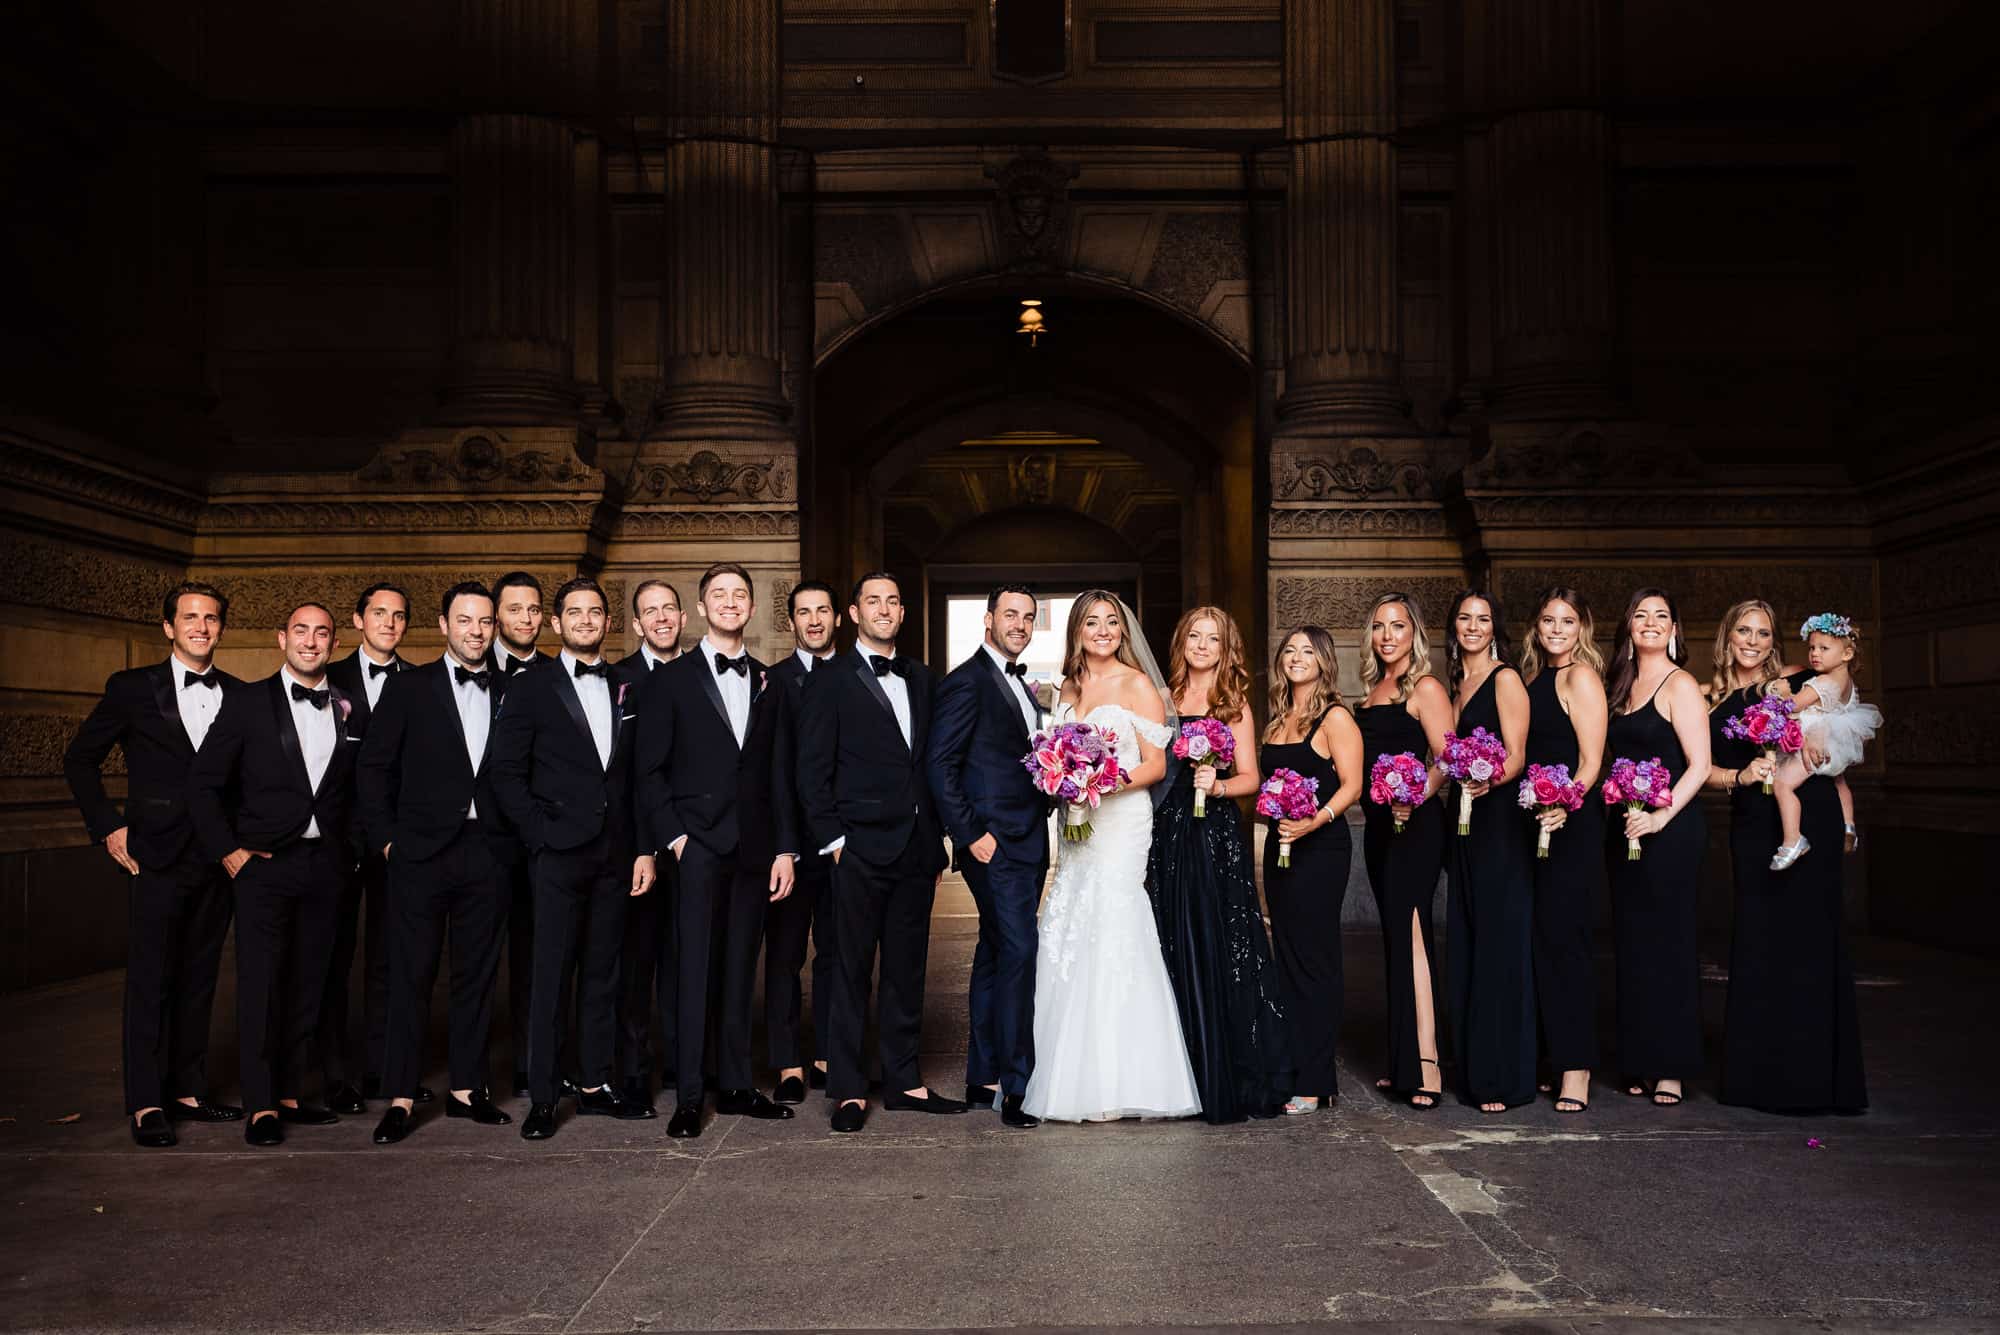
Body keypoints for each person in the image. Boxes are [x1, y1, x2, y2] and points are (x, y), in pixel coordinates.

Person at [62, 582, 244, 1147]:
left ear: (220, 628)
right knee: (150, 979)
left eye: (211, 619)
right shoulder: (131, 688)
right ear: (168, 627)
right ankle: (146, 1101)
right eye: (189, 618)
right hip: (154, 855)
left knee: (199, 975)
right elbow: (80, 759)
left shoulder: (240, 694)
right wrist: (108, 825)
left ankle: (188, 1090)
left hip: (216, 858)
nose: (200, 627)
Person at [795, 572, 966, 1133]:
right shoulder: (830, 679)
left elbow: (933, 765)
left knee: (906, 969)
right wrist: (837, 843)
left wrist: (938, 838)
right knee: (847, 969)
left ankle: (904, 1080)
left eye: (894, 600)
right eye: (874, 601)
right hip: (857, 849)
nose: (885, 609)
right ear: (853, 613)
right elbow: (812, 772)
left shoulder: (923, 677)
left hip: (916, 850)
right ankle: (847, 1089)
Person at [489, 576, 658, 1140]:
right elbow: (505, 773)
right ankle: (543, 1096)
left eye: (595, 613)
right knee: (550, 975)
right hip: (557, 855)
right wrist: (539, 833)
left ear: (608, 623)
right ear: (557, 624)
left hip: (615, 854)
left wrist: (641, 849)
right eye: (574, 614)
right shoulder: (532, 685)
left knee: (603, 974)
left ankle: (594, 1084)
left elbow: (634, 779)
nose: (586, 621)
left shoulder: (625, 684)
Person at [187, 602, 360, 1146]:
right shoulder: (246, 703)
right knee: (261, 984)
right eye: (301, 631)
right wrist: (230, 853)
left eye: (322, 634)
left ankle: (290, 1091)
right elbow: (202, 786)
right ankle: (260, 1104)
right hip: (263, 867)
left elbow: (358, 788)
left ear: (334, 643)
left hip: (325, 867)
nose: (311, 642)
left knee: (310, 983)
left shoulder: (347, 705)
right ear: (281, 637)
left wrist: (350, 850)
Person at [1022, 592, 1199, 1124]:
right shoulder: (1067, 688)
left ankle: (1132, 1076)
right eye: (1092, 622)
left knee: (1116, 921)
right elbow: (1052, 755)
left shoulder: (1138, 685)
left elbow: (1154, 765)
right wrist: (1063, 781)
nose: (1103, 631)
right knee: (1069, 923)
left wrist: (1099, 782)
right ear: (1076, 630)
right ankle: (1072, 1075)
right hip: (1076, 821)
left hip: (1120, 821)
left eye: (1112, 623)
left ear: (1123, 631)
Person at [636, 562, 798, 1139]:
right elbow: (649, 771)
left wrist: (785, 848)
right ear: (700, 609)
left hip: (755, 848)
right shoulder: (669, 680)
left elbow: (778, 771)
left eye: (739, 595)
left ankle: (735, 1084)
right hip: (697, 846)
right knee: (692, 968)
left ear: (751, 609)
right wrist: (676, 838)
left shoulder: (767, 681)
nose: (730, 603)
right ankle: (689, 1094)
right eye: (718, 595)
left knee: (738, 969)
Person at [356, 582, 516, 1144]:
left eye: (485, 622)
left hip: (489, 851)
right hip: (420, 853)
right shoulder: (409, 687)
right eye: (465, 621)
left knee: (476, 976)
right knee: (411, 975)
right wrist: (389, 843)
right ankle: (400, 1095)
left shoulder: (512, 690)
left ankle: (468, 1088)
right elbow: (373, 770)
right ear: (444, 626)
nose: (476, 631)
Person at [1707, 602, 1867, 1114]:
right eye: (1743, 631)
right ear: (1727, 636)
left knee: (1810, 944)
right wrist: (1737, 777)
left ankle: (1815, 1082)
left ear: (1774, 640)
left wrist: (1820, 734)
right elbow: (1698, 769)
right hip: (1753, 828)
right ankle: (1757, 1080)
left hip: (1807, 818)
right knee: (1760, 945)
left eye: (1763, 632)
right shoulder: (1706, 697)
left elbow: (1839, 700)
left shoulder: (1798, 678)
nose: (1752, 641)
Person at [1146, 605, 1292, 1123]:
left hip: (1214, 834)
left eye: (1213, 638)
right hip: (1166, 831)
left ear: (1225, 647)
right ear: (1182, 642)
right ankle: (1174, 1071)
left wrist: (1220, 784)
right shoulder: (1162, 699)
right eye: (1194, 636)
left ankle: (1221, 1069)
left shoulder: (1234, 706)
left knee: (1217, 935)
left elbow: (1251, 776)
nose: (1202, 646)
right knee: (1168, 934)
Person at [926, 584, 1049, 1130]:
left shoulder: (1024, 685)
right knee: (1021, 950)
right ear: (988, 619)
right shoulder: (966, 682)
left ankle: (984, 1075)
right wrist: (970, 833)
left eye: (1027, 617)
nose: (1019, 624)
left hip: (1028, 837)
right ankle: (1018, 1088)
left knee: (998, 950)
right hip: (993, 843)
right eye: (1010, 615)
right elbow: (939, 765)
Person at [1602, 588, 1712, 1107]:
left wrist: (1661, 818)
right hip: (1626, 829)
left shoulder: (1680, 683)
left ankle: (1670, 1067)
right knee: (1633, 945)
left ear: (1674, 629)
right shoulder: (1620, 686)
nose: (1650, 622)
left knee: (1668, 944)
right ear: (1629, 627)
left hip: (1669, 832)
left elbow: (1700, 764)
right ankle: (1639, 1059)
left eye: (1661, 615)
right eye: (1640, 614)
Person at [1257, 626, 1363, 1115]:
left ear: (1323, 661)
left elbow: (1352, 786)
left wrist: (1311, 821)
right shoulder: (1278, 719)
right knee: (1289, 958)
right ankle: (1295, 1066)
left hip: (1320, 849)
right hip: (1282, 847)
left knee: (1316, 959)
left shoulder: (1334, 716)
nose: (1296, 658)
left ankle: (1318, 1080)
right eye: (1290, 651)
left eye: (1307, 652)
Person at [1354, 592, 1452, 1109]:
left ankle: (1428, 1067)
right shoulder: (1372, 692)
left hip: (1416, 827)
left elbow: (1449, 758)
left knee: (1413, 933)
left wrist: (1414, 797)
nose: (1388, 636)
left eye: (1398, 626)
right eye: (1378, 627)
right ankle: (1402, 1060)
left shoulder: (1425, 687)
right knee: (1395, 937)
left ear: (1415, 633)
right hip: (1378, 828)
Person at [320, 582, 415, 1114]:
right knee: (332, 960)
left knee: (390, 958)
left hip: (394, 843)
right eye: (379, 613)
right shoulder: (326, 679)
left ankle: (386, 1069)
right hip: (334, 841)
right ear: (358, 620)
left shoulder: (422, 682)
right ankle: (336, 1076)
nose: (389, 623)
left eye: (399, 616)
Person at [1441, 590, 1536, 1114]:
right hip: (1465, 823)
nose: (1473, 627)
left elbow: (1518, 757)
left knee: (1500, 943)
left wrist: (1484, 780)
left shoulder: (1504, 678)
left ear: (1495, 627)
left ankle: (1503, 1075)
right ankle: (1474, 1065)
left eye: (1483, 619)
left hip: (1497, 821)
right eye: (1464, 618)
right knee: (1469, 938)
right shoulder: (1460, 683)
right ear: (1453, 626)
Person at [1519, 586, 1607, 1114]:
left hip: (1569, 823)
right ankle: (1555, 1057)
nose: (1556, 629)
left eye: (1567, 621)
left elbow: (1591, 760)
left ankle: (1577, 1068)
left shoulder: (1581, 677)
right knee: (1543, 941)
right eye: (1548, 619)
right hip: (1535, 822)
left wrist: (1565, 803)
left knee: (1568, 942)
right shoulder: (1534, 680)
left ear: (1581, 629)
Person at [762, 580, 840, 1103]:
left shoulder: (857, 675)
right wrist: (784, 847)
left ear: (839, 617)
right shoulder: (773, 682)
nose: (814, 620)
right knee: (785, 956)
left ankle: (831, 1053)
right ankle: (787, 1061)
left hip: (843, 847)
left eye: (823, 611)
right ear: (791, 622)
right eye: (804, 613)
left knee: (839, 954)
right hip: (791, 846)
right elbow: (772, 773)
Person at [610, 578, 684, 1116]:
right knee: (634, 966)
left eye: (668, 609)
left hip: (695, 846)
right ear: (637, 624)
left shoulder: (701, 674)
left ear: (684, 616)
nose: (660, 618)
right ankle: (632, 1073)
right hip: (637, 849)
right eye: (649, 612)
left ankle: (686, 1065)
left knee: (688, 961)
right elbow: (622, 777)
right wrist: (643, 846)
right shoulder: (619, 681)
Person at [489, 570, 552, 1097]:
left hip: (542, 843)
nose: (526, 619)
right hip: (480, 840)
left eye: (533, 610)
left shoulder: (560, 675)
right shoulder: (463, 667)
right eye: (515, 610)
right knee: (476, 962)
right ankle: (474, 1077)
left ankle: (537, 1067)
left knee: (539, 958)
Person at [1769, 613, 1881, 869]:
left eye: (1823, 648)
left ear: (1847, 654)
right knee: (1838, 779)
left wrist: (1781, 692)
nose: (1814, 654)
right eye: (1811, 648)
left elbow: (1792, 706)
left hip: (1819, 740)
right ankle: (1849, 825)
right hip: (1836, 740)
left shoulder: (1825, 681)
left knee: (1782, 784)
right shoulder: (1846, 681)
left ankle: (1793, 839)